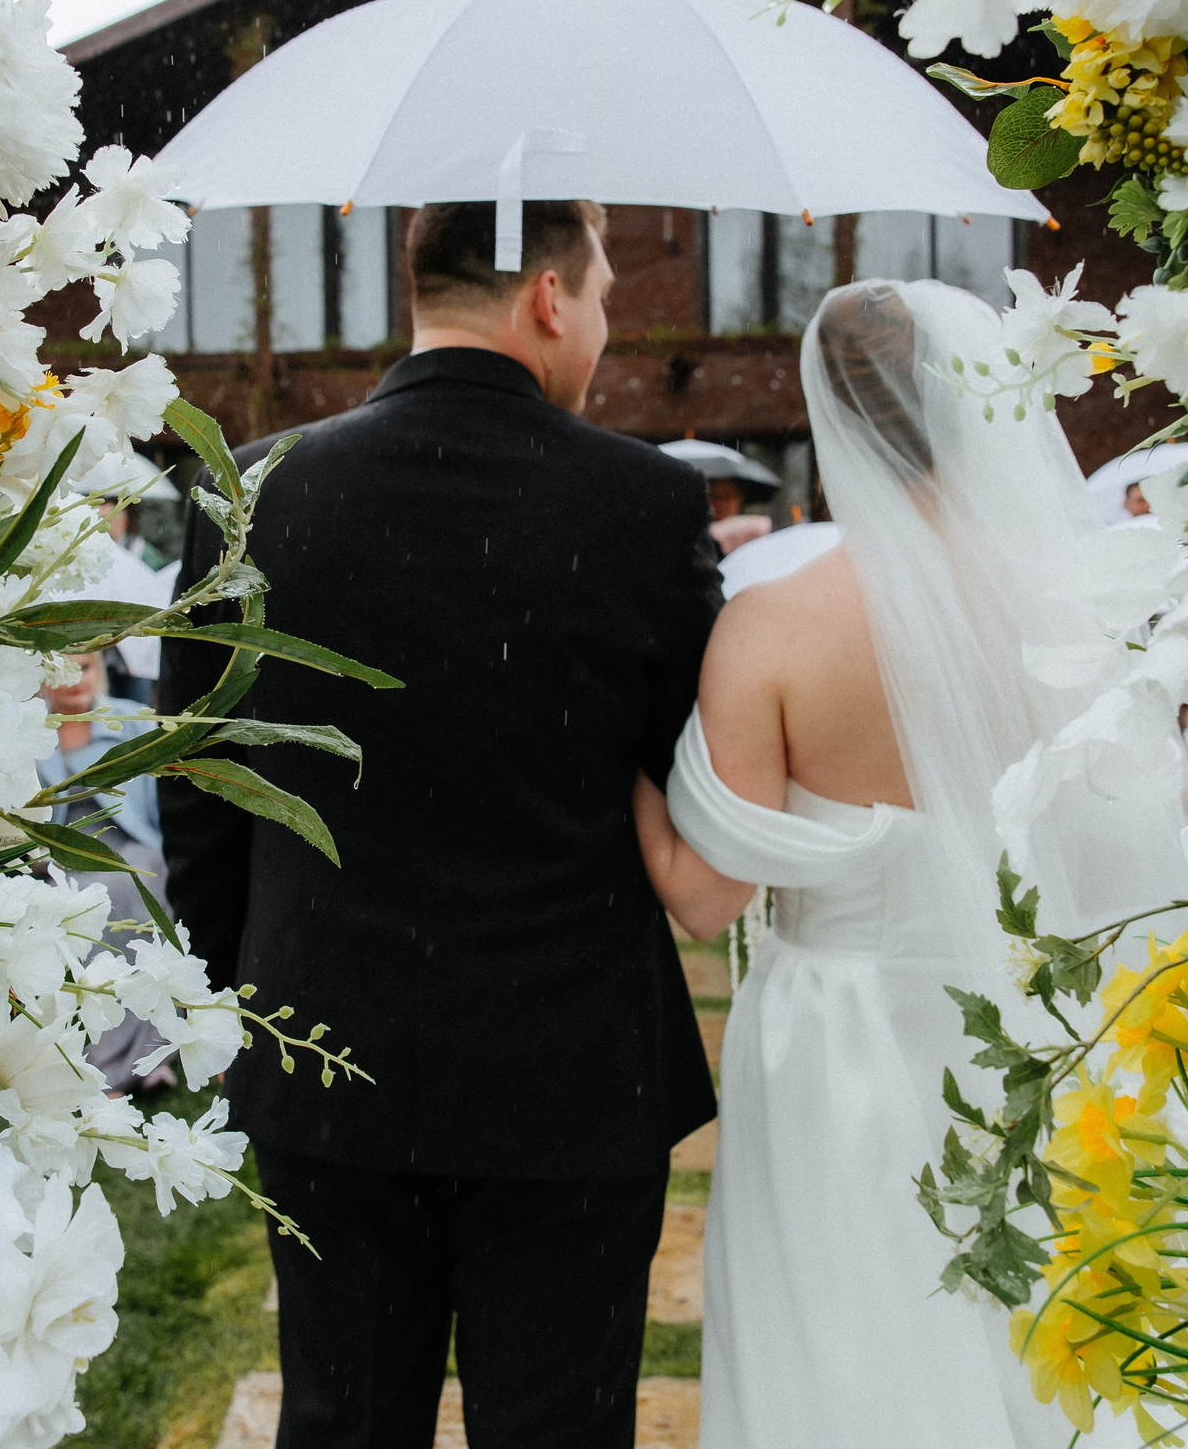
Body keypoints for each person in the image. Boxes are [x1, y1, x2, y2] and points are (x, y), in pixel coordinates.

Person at [159, 199, 721, 1449]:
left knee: (344, 1424)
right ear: (548, 298)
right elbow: (692, 776)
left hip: (324, 1052)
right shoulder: (644, 504)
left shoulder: (249, 494)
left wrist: (242, 996)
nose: (604, 328)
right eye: (609, 294)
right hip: (567, 1066)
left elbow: (194, 790)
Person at [628, 280, 1188, 1449]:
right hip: (1044, 1037)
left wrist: (608, 769)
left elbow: (703, 897)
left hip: (841, 1046)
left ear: (828, 417)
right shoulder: (1086, 605)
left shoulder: (773, 628)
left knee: (838, 1344)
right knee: (1038, 1335)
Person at [35, 650, 174, 1093]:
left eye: (87, 667)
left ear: (102, 670)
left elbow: (160, 800)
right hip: (60, 857)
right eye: (65, 670)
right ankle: (109, 1066)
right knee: (96, 895)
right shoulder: (31, 733)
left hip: (131, 846)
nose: (77, 679)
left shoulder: (133, 721)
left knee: (139, 877)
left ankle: (153, 1058)